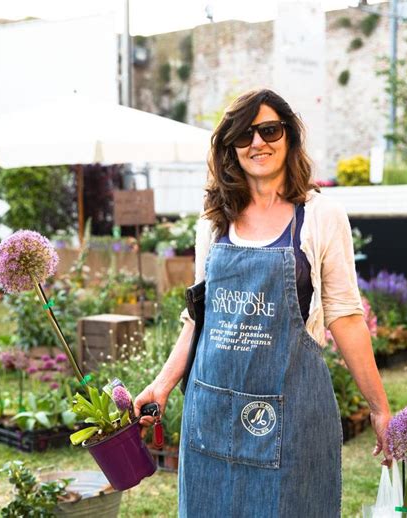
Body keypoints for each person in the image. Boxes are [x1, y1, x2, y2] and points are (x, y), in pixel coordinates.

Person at [135, 88, 392, 517]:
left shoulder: (322, 217)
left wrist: (380, 409)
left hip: (292, 415)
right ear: (230, 148)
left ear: (288, 136)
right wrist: (161, 386)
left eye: (269, 130)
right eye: (243, 134)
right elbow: (197, 318)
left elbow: (346, 317)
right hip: (212, 409)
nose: (258, 143)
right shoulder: (214, 221)